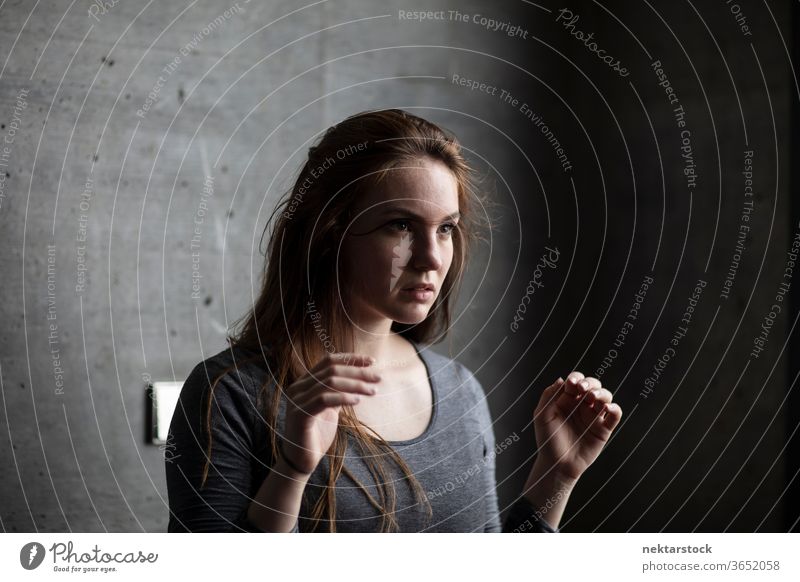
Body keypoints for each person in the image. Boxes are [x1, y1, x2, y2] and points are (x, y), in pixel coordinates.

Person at [165, 108, 622, 533]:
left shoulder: (459, 389)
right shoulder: (228, 395)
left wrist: (555, 477)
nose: (430, 258)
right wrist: (292, 472)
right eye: (400, 225)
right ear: (328, 233)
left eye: (445, 228)